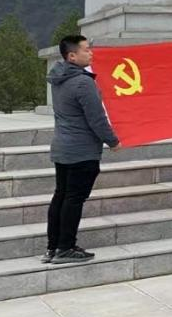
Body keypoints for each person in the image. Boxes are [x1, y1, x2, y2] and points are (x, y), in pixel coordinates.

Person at [44, 35, 122, 264]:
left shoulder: (58, 78)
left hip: (63, 147)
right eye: (86, 50)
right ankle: (65, 247)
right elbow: (96, 118)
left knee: (61, 196)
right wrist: (112, 141)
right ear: (72, 56)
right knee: (74, 199)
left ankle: (53, 247)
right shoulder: (82, 82)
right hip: (82, 150)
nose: (91, 53)